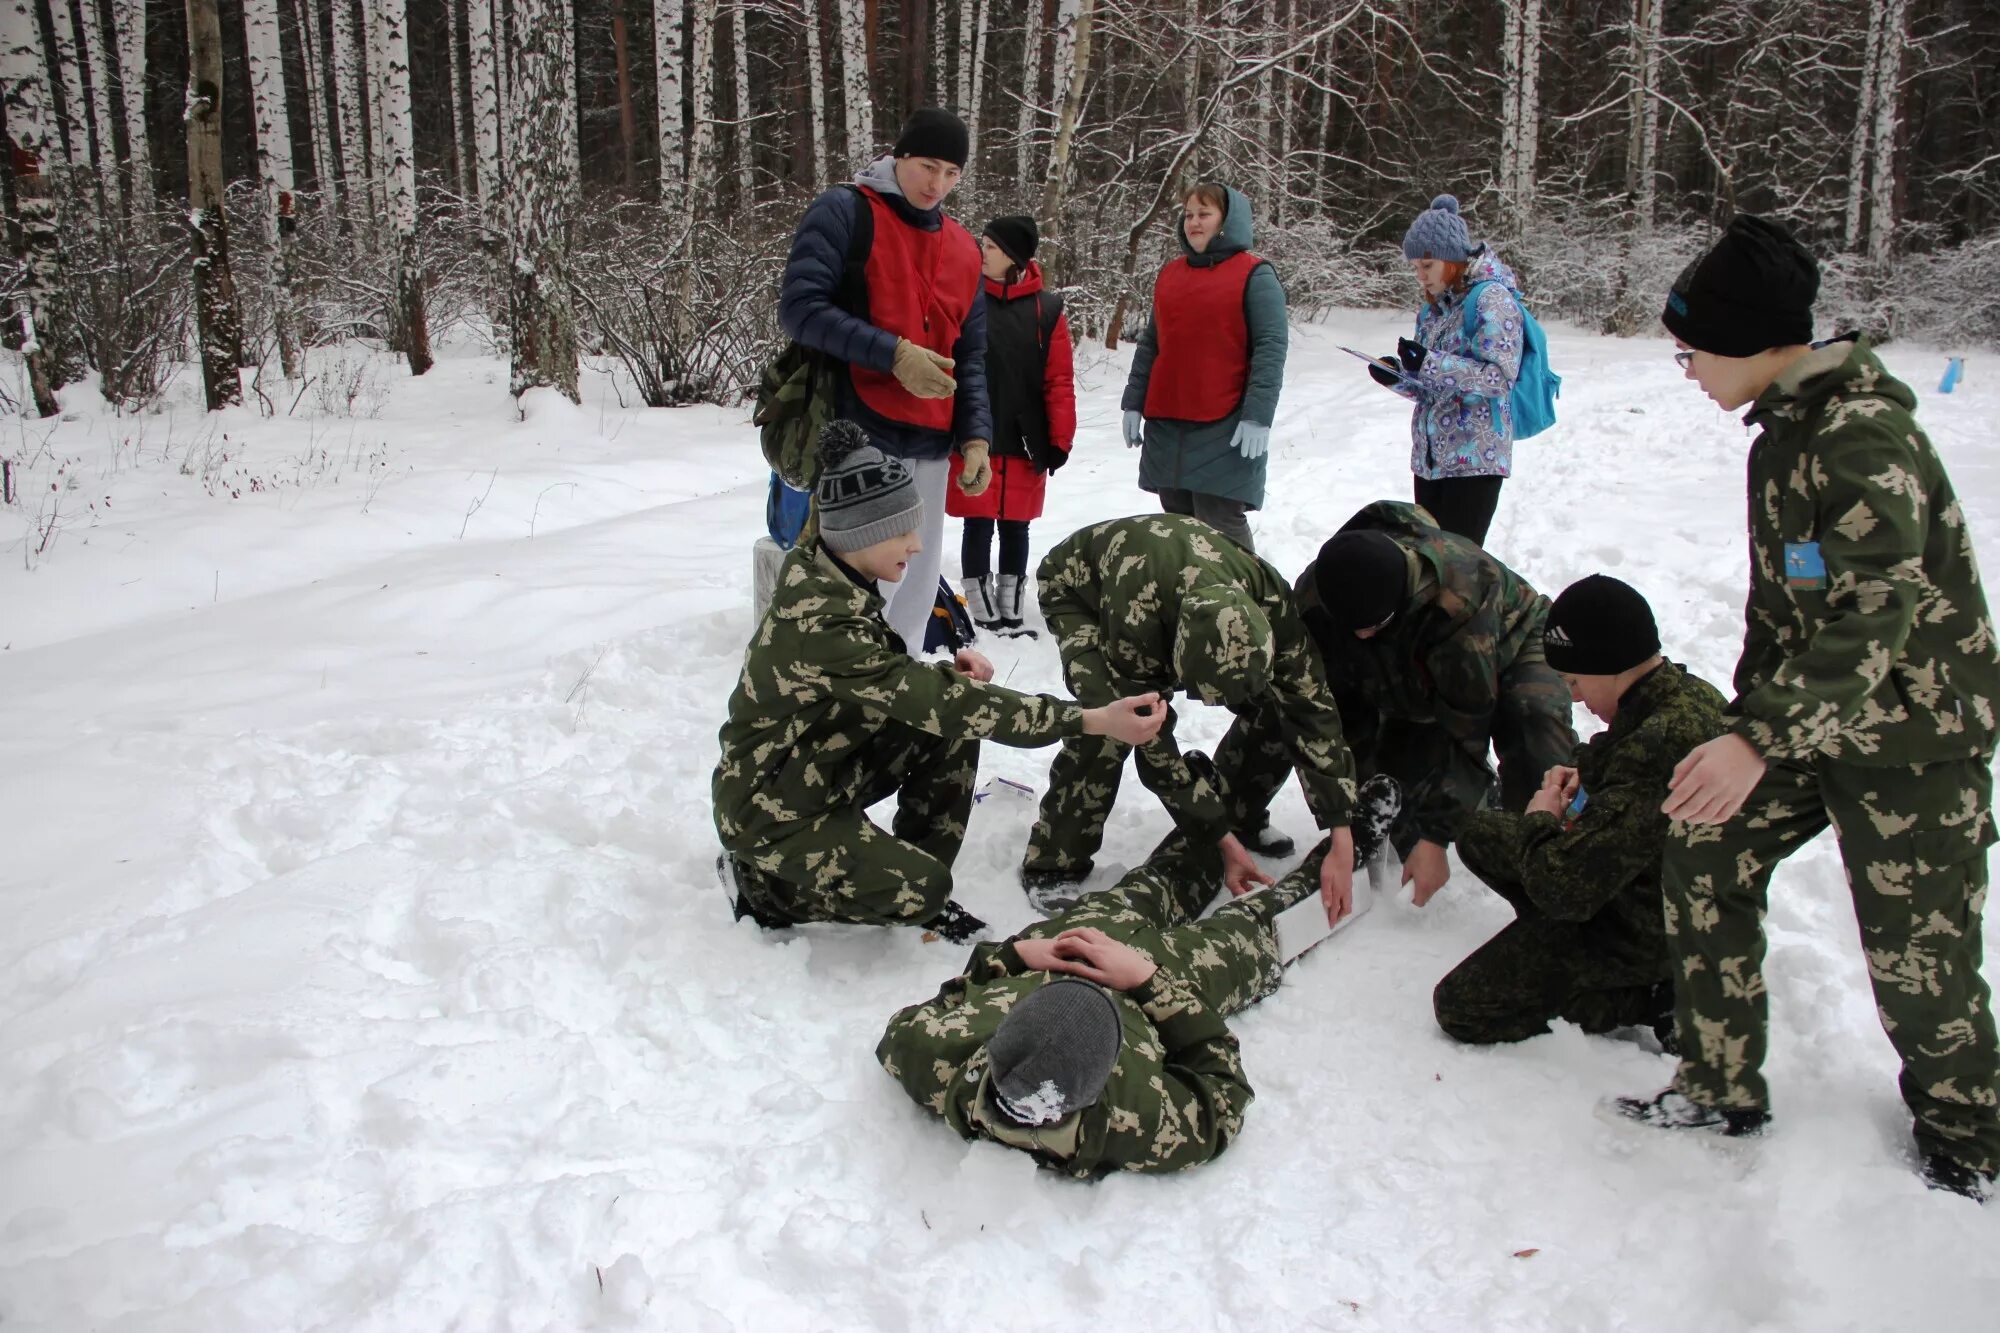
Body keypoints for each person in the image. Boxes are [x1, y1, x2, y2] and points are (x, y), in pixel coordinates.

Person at [1601, 215, 2000, 1203]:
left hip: (1913, 739)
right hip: (1802, 723)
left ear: (1752, 339)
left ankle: (1968, 1142)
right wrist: (1743, 731)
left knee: (1918, 958)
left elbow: (1873, 613)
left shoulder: (1860, 435)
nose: (1684, 364)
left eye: (1691, 346)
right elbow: (1782, 614)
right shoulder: (1778, 438)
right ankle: (1718, 1081)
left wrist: (1754, 736)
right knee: (1702, 849)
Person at [712, 423, 1167, 942]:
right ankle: (760, 884)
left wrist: (946, 682)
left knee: (952, 724)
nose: (917, 545)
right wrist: (1091, 719)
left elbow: (895, 688)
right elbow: (924, 695)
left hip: (813, 766)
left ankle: (907, 881)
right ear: (864, 533)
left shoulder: (834, 576)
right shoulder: (821, 619)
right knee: (924, 871)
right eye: (905, 531)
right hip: (768, 807)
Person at [877, 796, 1397, 1177]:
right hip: (1163, 981)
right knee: (1262, 932)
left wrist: (1016, 955)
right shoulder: (1130, 1119)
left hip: (1064, 946)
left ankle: (1216, 812)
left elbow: (919, 1016)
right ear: (1102, 1080)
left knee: (1153, 883)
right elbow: (1222, 1096)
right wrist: (1149, 985)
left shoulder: (934, 1054)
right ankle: (1346, 852)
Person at [1432, 575, 1728, 1046]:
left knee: (1464, 1006)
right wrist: (1580, 772)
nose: (1573, 696)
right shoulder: (1685, 695)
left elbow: (1565, 890)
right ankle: (1553, 952)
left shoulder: (1659, 744)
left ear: (1609, 665)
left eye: (1575, 680)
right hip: (1650, 883)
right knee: (1482, 833)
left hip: (1650, 928)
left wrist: (1542, 816)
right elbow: (1619, 752)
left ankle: (1653, 993)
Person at [1018, 515, 1358, 916]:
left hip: (1165, 571)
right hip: (1079, 587)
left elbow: (1310, 706)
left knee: (1273, 706)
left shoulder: (1273, 606)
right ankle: (1054, 862)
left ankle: (1240, 812)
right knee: (1111, 723)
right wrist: (1217, 837)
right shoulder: (1137, 622)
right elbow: (1153, 745)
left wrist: (1341, 831)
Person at [1283, 500, 1577, 907]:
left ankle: (1546, 862)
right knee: (1401, 795)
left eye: (1372, 627)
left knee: (1533, 725)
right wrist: (1346, 818)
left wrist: (1437, 839)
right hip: (1411, 664)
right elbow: (1332, 712)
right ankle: (1468, 799)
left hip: (1513, 641)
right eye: (1354, 631)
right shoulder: (1319, 596)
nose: (1362, 637)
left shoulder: (1459, 598)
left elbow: (1469, 724)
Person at [777, 108, 993, 651]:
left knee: (914, 597)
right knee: (847, 600)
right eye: (926, 165)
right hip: (857, 433)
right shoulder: (845, 211)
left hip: (931, 445)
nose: (936, 183)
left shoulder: (966, 249)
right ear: (898, 157)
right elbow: (801, 309)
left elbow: (970, 356)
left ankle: (894, 715)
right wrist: (893, 354)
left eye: (951, 172)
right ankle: (828, 713)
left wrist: (975, 439)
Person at [1121, 183, 1286, 554]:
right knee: (1178, 523)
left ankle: (1247, 602)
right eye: (1189, 214)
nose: (1194, 222)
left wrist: (1258, 415)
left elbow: (1270, 349)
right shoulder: (1171, 275)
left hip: (1226, 422)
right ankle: (1191, 601)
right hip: (1168, 421)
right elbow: (1152, 344)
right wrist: (1133, 402)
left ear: (1227, 220)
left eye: (1205, 214)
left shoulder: (1255, 275)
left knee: (1220, 520)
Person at [1364, 194, 1526, 547]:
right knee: (1429, 564)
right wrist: (1399, 377)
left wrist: (1429, 362)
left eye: (1427, 266)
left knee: (1458, 570)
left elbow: (1499, 378)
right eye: (1416, 268)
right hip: (1430, 459)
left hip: (1475, 460)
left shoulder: (1491, 298)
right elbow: (1432, 388)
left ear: (1451, 259)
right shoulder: (1433, 311)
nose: (1421, 277)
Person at [950, 215, 1076, 638]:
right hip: (975, 431)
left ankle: (1011, 608)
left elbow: (1058, 378)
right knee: (978, 521)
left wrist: (1060, 436)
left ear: (1013, 256)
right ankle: (983, 611)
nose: (980, 252)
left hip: (1026, 434)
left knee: (1016, 524)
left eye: (989, 246)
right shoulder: (967, 297)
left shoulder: (1047, 309)